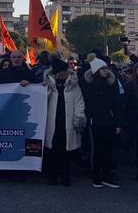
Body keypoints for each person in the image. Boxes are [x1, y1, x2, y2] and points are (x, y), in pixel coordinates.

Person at [43, 56, 86, 186]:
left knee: (65, 151)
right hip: (52, 121)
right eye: (63, 71)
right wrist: (47, 88)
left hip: (67, 120)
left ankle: (65, 175)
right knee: (52, 150)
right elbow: (42, 100)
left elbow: (79, 102)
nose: (66, 73)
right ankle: (52, 175)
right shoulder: (49, 85)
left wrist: (79, 116)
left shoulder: (73, 85)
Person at [82, 58, 123, 188]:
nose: (106, 71)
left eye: (106, 68)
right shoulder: (90, 85)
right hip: (95, 122)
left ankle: (106, 175)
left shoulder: (111, 84)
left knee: (108, 150)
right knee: (97, 150)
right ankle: (96, 176)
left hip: (109, 121)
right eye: (103, 69)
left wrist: (118, 123)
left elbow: (117, 104)